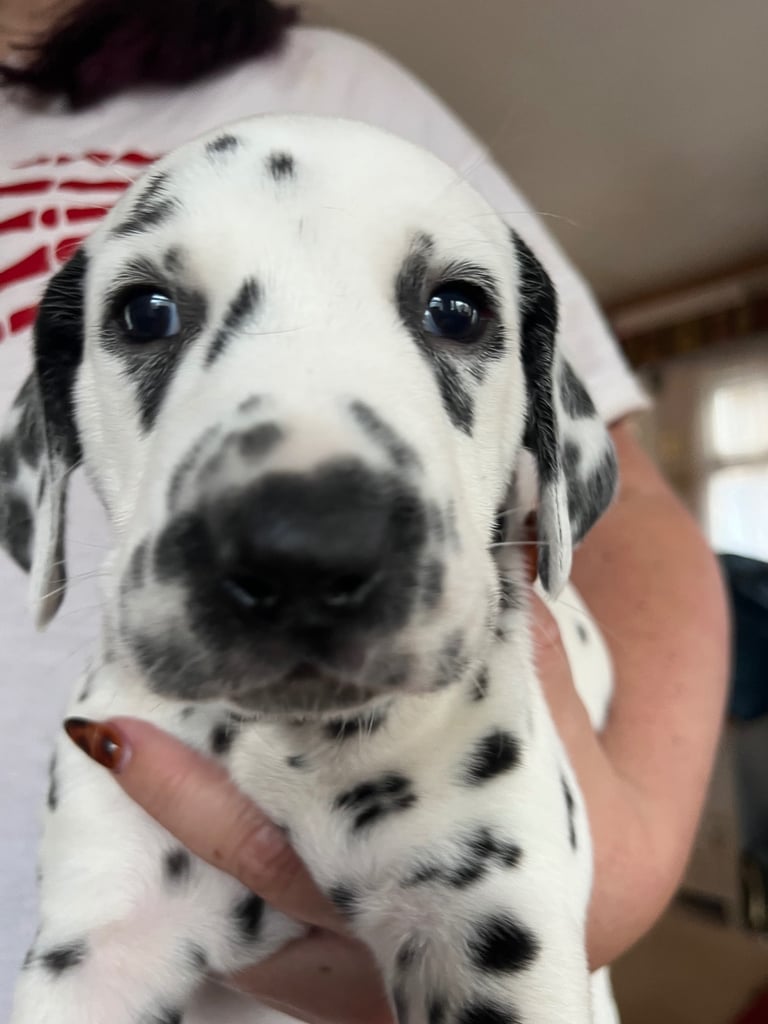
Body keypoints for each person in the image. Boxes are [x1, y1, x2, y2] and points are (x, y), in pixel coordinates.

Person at [0, 3, 729, 1023]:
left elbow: (638, 513)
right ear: (47, 445)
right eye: (149, 314)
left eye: (456, 311)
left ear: (544, 434)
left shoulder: (328, 82)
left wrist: (635, 849)